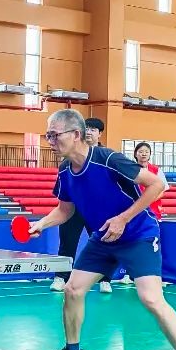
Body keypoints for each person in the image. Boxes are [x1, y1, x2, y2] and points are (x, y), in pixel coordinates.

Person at [27, 109, 176, 350]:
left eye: (54, 135)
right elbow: (65, 210)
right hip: (104, 237)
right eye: (48, 135)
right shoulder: (64, 170)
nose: (50, 141)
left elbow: (157, 185)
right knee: (72, 290)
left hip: (138, 235)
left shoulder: (108, 159)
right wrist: (41, 224)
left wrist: (123, 218)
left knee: (151, 298)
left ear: (75, 134)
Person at [51, 117, 113, 294]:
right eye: (87, 129)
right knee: (67, 243)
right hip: (73, 208)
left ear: (100, 134)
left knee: (103, 243)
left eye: (93, 129)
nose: (89, 132)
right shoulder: (70, 158)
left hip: (98, 211)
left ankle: (105, 279)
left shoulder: (107, 157)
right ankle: (61, 277)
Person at [133, 142, 167, 220]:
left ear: (149, 154)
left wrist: (147, 201)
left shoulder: (157, 170)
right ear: (135, 154)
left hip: (153, 209)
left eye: (146, 152)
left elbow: (162, 191)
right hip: (134, 208)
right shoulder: (130, 170)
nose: (144, 154)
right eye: (141, 152)